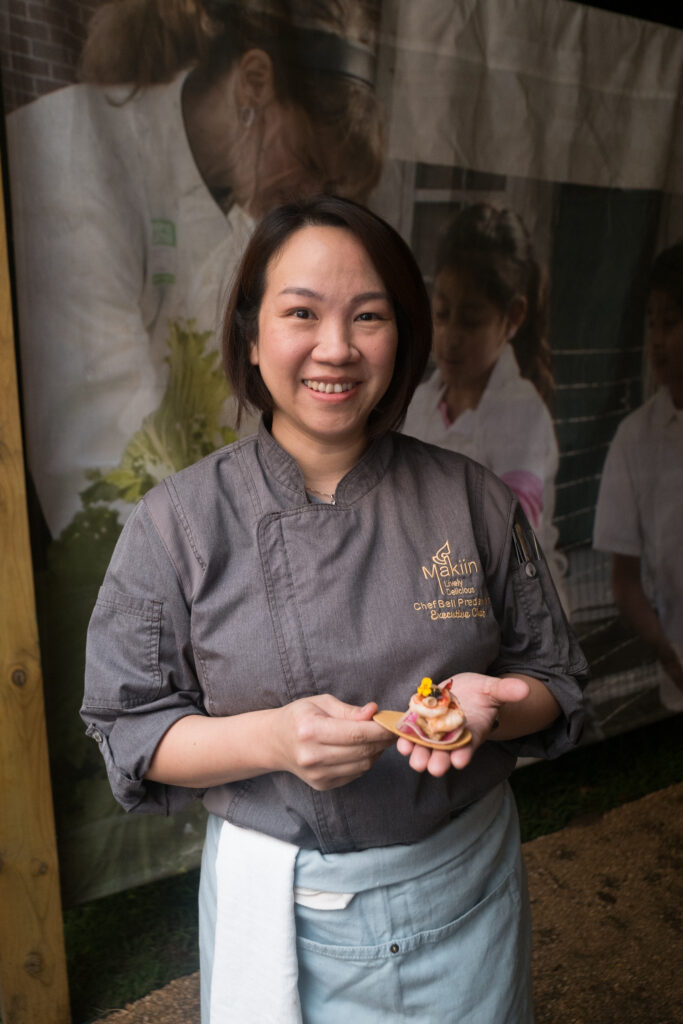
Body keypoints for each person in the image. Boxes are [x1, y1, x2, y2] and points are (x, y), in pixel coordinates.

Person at [82, 195, 588, 1022]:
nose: (336, 348)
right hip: (281, 911)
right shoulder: (175, 522)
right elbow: (128, 726)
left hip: (468, 893)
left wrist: (491, 708)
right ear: (251, 335)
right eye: (301, 313)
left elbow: (553, 679)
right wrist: (274, 740)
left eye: (368, 316)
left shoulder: (473, 501)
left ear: (404, 336)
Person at [6, 0, 383, 539]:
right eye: (310, 162)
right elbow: (99, 457)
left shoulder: (239, 207)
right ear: (254, 81)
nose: (313, 201)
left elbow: (239, 417)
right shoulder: (77, 156)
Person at [402, 202, 568, 602]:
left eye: (471, 321)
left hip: (512, 615)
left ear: (512, 318)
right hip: (439, 601)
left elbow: (513, 543)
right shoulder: (422, 406)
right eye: (442, 314)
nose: (451, 336)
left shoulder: (520, 414)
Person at [594, 241, 683, 712]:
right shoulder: (636, 437)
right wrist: (669, 655)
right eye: (651, 323)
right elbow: (624, 580)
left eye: (670, 323)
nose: (657, 340)